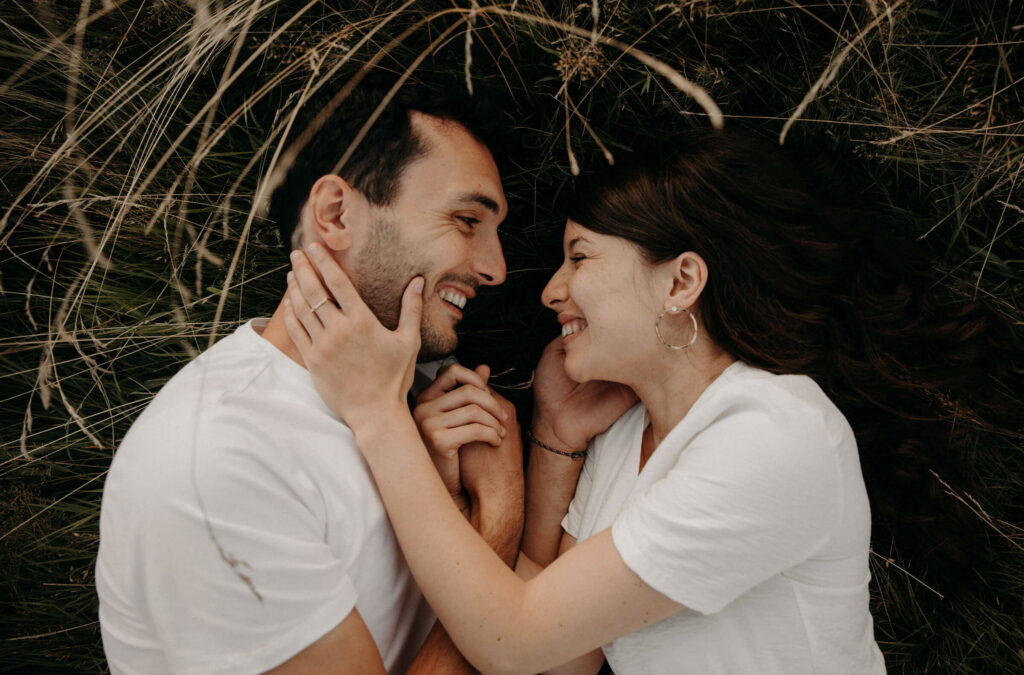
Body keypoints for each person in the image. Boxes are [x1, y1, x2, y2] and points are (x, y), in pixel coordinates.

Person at [283, 128, 1021, 674]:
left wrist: (378, 415)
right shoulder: (626, 434)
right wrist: (557, 442)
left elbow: (515, 639)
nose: (551, 291)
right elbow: (560, 659)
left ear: (680, 281)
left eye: (579, 258)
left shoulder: (771, 433)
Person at [95, 80, 524, 674]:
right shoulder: (217, 460)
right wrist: (496, 516)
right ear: (335, 214)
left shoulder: (424, 393)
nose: (496, 268)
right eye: (466, 219)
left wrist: (452, 492)